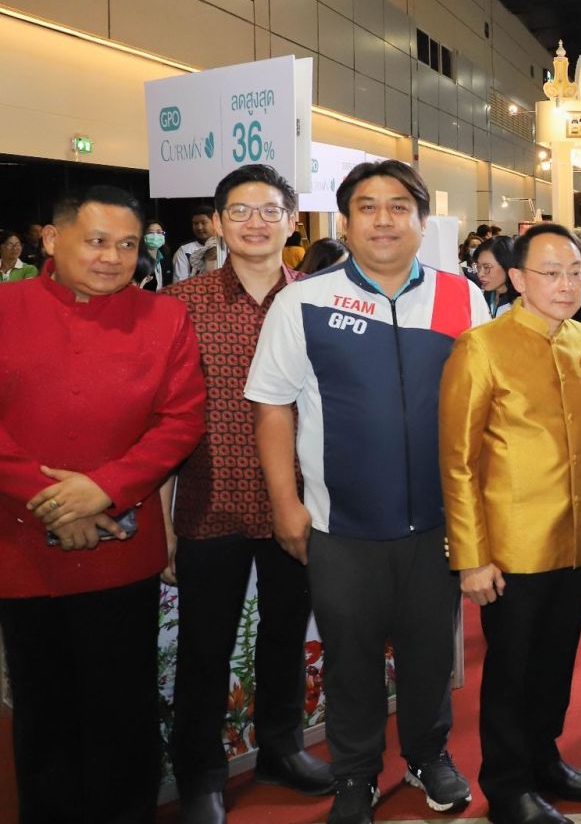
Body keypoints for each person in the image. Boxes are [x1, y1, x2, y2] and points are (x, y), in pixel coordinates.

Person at [246, 160, 489, 824]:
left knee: (429, 653)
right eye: (368, 207)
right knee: (349, 659)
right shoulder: (304, 302)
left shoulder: (461, 297)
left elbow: (482, 409)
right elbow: (271, 408)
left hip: (438, 523)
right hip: (340, 525)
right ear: (345, 222)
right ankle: (355, 774)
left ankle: (427, 756)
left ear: (422, 221)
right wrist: (286, 505)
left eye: (399, 207)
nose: (384, 220)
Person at [0, 185, 206, 824]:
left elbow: (181, 420)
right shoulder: (5, 307)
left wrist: (105, 490)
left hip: (123, 543)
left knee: (123, 707)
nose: (113, 258)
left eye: (127, 244)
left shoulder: (164, 317)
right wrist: (55, 500)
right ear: (51, 239)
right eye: (96, 241)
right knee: (41, 707)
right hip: (22, 543)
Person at [160, 165, 333, 823]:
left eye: (269, 210)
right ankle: (201, 774)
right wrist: (164, 522)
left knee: (286, 636)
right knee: (205, 646)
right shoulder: (179, 304)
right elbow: (161, 418)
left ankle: (281, 749)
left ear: (292, 221)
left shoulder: (319, 301)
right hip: (211, 500)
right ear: (216, 221)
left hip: (299, 502)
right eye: (239, 210)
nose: (255, 223)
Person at [440, 223, 581, 824]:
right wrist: (471, 557)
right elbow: (458, 461)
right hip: (512, 548)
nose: (567, 285)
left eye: (575, 272)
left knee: (557, 661)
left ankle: (544, 759)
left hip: (577, 537)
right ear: (517, 278)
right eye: (551, 273)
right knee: (512, 671)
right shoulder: (482, 347)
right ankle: (508, 785)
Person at [173, 207, 226, 282]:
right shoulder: (185, 251)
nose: (199, 227)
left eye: (203, 223)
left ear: (215, 222)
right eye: (195, 223)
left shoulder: (228, 246)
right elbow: (179, 283)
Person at [475, 235, 520, 317]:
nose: (480, 274)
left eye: (487, 267)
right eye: (478, 267)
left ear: (507, 265)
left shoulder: (524, 304)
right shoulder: (485, 296)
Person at [141, 219, 173, 290]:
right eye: (150, 232)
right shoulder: (138, 260)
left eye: (159, 232)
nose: (155, 235)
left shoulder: (166, 259)